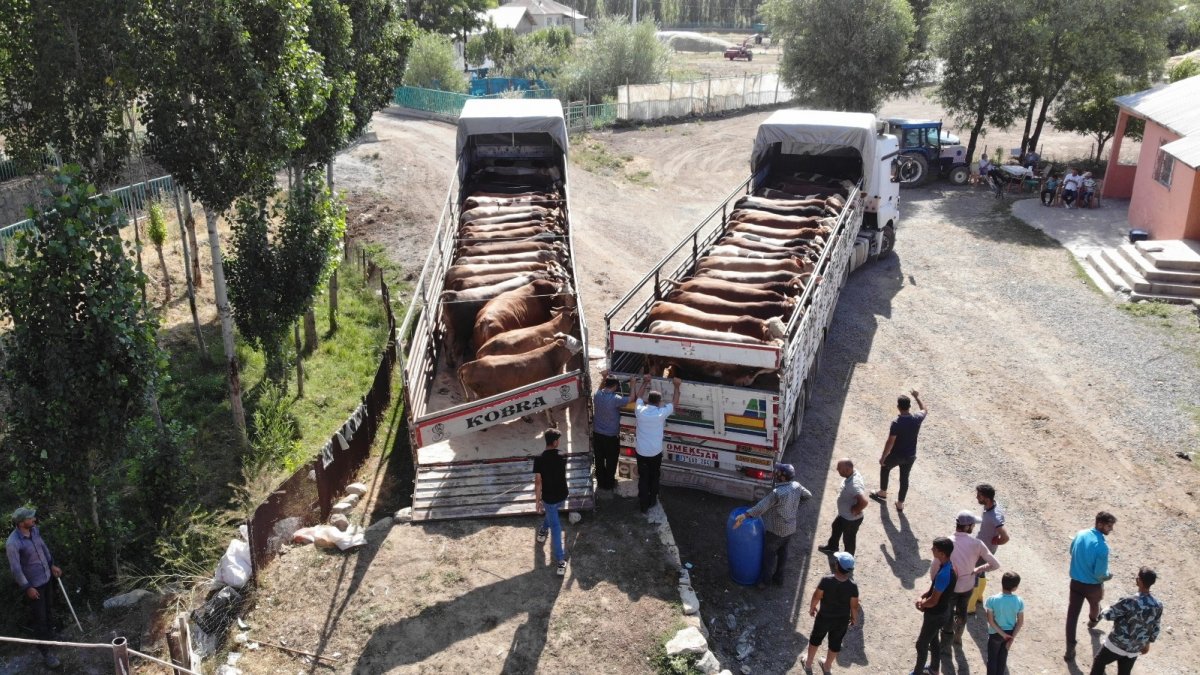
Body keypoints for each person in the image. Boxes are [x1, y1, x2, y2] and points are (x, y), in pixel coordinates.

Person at [733, 463, 812, 588]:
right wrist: (795, 505)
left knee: (769, 556)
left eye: (777, 473)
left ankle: (765, 582)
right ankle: (779, 579)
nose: (775, 474)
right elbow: (808, 495)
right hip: (790, 529)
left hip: (775, 531)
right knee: (783, 553)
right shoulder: (797, 486)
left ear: (782, 477)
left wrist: (745, 516)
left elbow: (761, 507)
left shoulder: (777, 493)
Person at [6, 506, 63, 669]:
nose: (34, 520)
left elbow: (43, 547)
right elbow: (16, 569)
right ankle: (46, 653)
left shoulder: (35, 531)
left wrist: (52, 565)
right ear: (21, 522)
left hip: (46, 578)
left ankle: (51, 638)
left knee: (49, 611)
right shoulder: (13, 543)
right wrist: (27, 587)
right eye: (31, 518)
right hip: (34, 587)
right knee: (40, 620)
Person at [934, 510, 1000, 649]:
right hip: (968, 585)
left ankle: (946, 643)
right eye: (972, 525)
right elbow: (995, 564)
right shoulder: (977, 543)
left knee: (948, 613)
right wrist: (977, 570)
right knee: (962, 611)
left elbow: (935, 567)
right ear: (968, 527)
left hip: (950, 587)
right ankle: (958, 638)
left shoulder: (946, 542)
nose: (973, 527)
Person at [1090, 566, 1163, 674]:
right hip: (1135, 648)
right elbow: (1156, 627)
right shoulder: (1158, 605)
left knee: (1099, 663)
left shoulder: (1129, 601)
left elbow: (1109, 615)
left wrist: (1103, 610)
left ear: (1139, 581)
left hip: (1116, 644)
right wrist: (1147, 644)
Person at [1065, 511, 1117, 661]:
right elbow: (1100, 573)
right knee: (1095, 604)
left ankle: (1070, 648)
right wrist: (1108, 576)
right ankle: (1093, 620)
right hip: (1093, 586)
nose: (1111, 529)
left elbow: (1071, 551)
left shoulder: (1080, 534)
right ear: (1099, 524)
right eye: (1109, 526)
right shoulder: (1102, 547)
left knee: (1072, 616)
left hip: (1075, 583)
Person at [630, 374, 681, 514]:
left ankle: (643, 504)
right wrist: (677, 386)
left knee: (643, 477)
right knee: (654, 476)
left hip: (641, 452)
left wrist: (645, 382)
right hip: (655, 453)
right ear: (659, 402)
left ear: (648, 401)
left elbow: (638, 397)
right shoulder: (661, 413)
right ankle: (652, 500)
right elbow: (675, 403)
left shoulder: (640, 410)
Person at [803, 552, 860, 675]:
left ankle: (808, 663)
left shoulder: (826, 580)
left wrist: (812, 608)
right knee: (835, 644)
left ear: (837, 565)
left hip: (823, 618)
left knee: (815, 639)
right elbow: (854, 606)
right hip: (841, 622)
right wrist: (854, 618)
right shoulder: (853, 586)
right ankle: (827, 667)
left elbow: (817, 596)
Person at [870, 390, 927, 512]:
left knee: (885, 467)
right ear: (909, 406)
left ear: (898, 407)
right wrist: (917, 397)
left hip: (897, 455)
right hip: (911, 456)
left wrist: (883, 457)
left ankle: (882, 492)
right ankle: (900, 504)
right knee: (904, 478)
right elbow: (925, 410)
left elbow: (890, 442)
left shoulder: (896, 423)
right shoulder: (917, 418)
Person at [912, 537, 956, 675]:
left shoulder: (943, 573)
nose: (932, 550)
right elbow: (935, 589)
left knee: (921, 644)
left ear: (942, 553)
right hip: (943, 611)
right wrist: (923, 595)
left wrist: (922, 604)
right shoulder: (949, 566)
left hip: (935, 615)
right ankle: (934, 669)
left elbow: (934, 600)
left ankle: (918, 673)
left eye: (935, 549)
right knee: (933, 640)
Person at [966, 483, 1011, 614]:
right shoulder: (993, 506)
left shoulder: (994, 516)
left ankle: (970, 606)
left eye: (979, 496)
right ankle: (979, 597)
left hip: (983, 549)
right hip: (988, 547)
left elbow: (1006, 537)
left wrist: (999, 540)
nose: (976, 497)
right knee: (982, 572)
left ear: (986, 498)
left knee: (974, 573)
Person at [533, 429, 569, 576]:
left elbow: (538, 482)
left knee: (554, 524)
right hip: (562, 495)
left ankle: (560, 559)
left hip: (549, 498)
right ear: (555, 442)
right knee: (554, 523)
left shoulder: (539, 459)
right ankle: (560, 560)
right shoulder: (563, 456)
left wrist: (537, 501)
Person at [818, 459, 868, 556]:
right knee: (836, 526)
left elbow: (864, 502)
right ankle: (832, 547)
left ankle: (847, 563)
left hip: (851, 520)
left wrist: (856, 509)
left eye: (839, 468)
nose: (837, 469)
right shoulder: (852, 473)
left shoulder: (854, 485)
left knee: (848, 540)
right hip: (844, 515)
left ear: (847, 470)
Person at [592, 372, 630, 492]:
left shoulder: (597, 395)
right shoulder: (615, 399)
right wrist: (633, 384)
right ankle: (609, 484)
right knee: (611, 460)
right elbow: (632, 399)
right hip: (611, 437)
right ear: (615, 386)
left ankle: (600, 481)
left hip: (597, 434)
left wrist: (603, 378)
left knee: (598, 459)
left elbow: (599, 388)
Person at [984, 572, 1024, 675]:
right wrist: (1011, 637)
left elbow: (991, 621)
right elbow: (1020, 622)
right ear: (1015, 587)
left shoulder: (991, 600)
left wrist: (1002, 634)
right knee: (1002, 659)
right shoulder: (1019, 601)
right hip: (1010, 633)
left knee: (992, 659)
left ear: (1002, 582)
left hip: (995, 634)